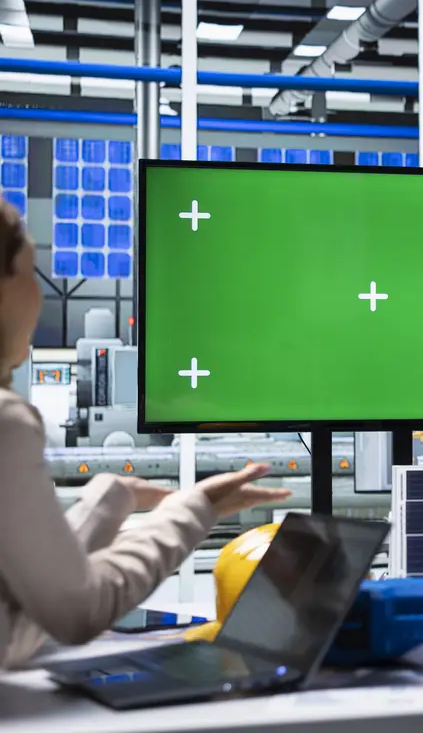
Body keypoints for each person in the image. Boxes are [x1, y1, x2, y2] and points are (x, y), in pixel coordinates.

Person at [0, 200, 292, 670]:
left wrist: (111, 498)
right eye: (29, 272)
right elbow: (76, 610)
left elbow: (30, 591)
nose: (38, 294)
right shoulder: (7, 423)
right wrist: (192, 511)